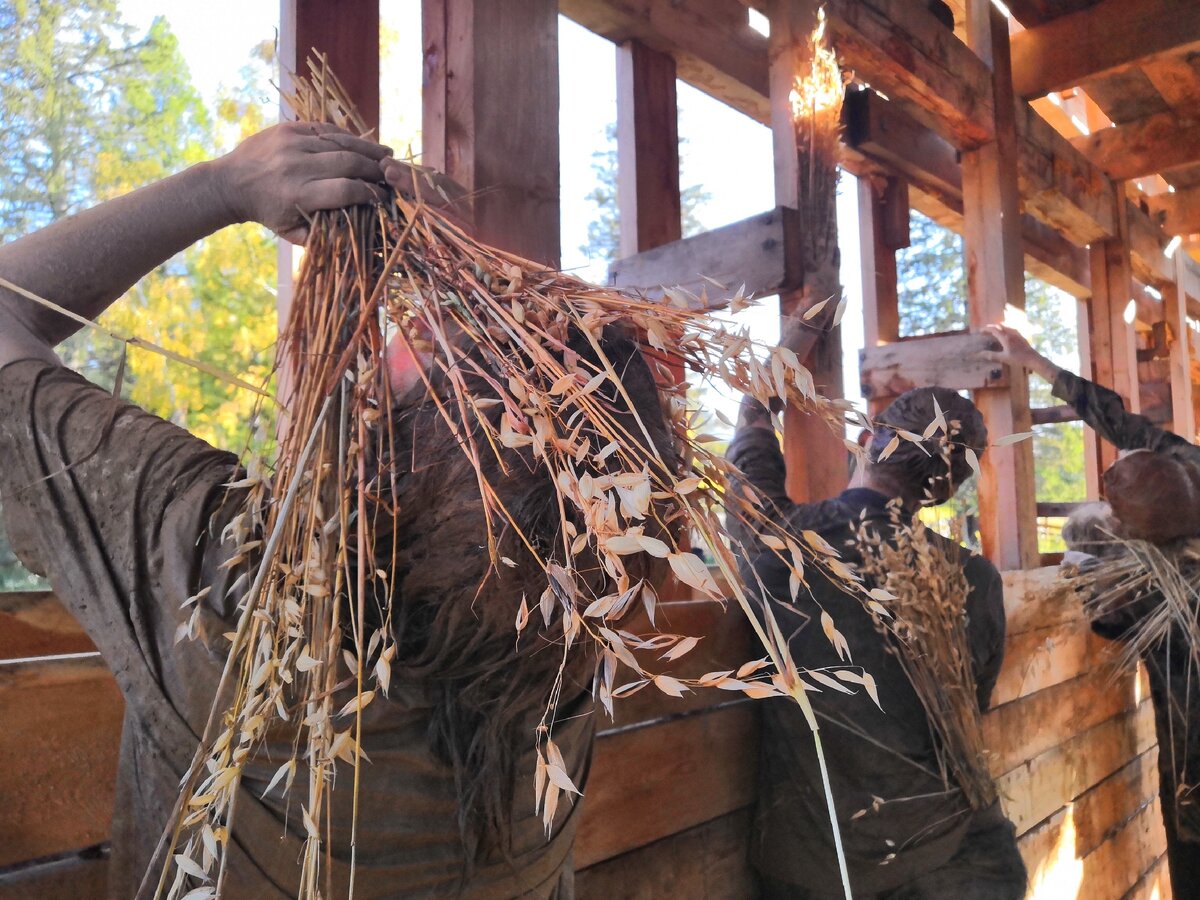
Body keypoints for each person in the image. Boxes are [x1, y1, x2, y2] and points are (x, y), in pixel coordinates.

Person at [0, 122, 670, 898]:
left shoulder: (238, 597)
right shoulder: (561, 664)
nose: (401, 324)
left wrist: (217, 187)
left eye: (439, 337)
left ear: (428, 460)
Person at [727, 384, 1026, 899]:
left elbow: (752, 419)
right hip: (963, 857)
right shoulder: (975, 578)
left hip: (830, 866)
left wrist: (806, 322)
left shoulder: (783, 540)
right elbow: (972, 707)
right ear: (949, 488)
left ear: (866, 440)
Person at [981, 323, 1200, 893]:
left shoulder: (1156, 601)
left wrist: (1078, 572)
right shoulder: (1189, 478)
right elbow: (1124, 423)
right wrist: (1037, 363)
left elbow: (1105, 621)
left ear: (1133, 538)